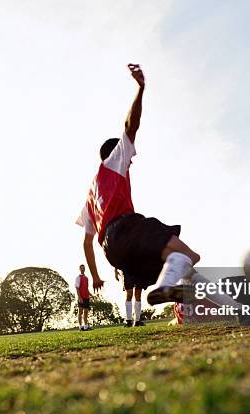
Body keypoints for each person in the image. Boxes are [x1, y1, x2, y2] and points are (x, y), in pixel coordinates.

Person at [76, 63, 209, 308]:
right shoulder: (114, 161)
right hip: (126, 229)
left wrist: (95, 275)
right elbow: (131, 126)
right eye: (130, 157)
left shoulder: (89, 197)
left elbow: (86, 243)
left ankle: (233, 308)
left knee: (181, 263)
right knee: (191, 256)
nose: (131, 160)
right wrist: (141, 89)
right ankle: (165, 287)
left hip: (113, 252)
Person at [74, 264, 91, 331]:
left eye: (83, 268)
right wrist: (79, 297)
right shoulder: (78, 277)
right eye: (81, 268)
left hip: (87, 297)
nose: (83, 269)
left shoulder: (86, 278)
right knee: (80, 312)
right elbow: (77, 288)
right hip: (81, 297)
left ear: (85, 269)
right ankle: (80, 327)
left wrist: (91, 295)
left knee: (86, 312)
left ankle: (86, 327)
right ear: (79, 269)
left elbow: (86, 288)